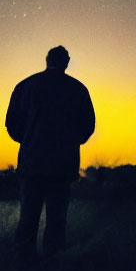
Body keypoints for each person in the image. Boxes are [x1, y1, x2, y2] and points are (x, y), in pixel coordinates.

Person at [5, 46, 95, 260]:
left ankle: (24, 262)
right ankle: (53, 261)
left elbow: (12, 124)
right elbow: (88, 125)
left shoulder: (25, 86)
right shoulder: (78, 89)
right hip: (62, 166)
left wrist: (29, 140)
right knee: (57, 218)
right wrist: (72, 142)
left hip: (32, 163)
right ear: (67, 62)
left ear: (47, 60)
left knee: (28, 215)